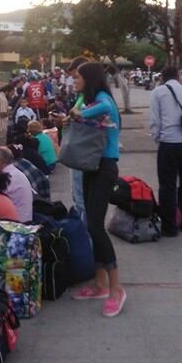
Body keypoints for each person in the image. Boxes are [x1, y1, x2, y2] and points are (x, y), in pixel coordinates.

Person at [68, 62, 125, 318]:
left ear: (89, 78)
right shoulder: (87, 97)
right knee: (91, 224)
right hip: (91, 166)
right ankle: (100, 285)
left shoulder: (104, 101)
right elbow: (75, 109)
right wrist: (78, 104)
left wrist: (78, 111)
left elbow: (93, 111)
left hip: (105, 168)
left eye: (77, 77)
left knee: (96, 228)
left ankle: (116, 289)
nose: (74, 81)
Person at [149, 66, 182, 236]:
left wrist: (158, 138)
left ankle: (169, 227)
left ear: (162, 77)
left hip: (169, 142)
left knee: (167, 186)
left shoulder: (158, 92)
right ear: (178, 76)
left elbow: (155, 121)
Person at [64, 56, 90, 222]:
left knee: (81, 198)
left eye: (76, 77)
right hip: (78, 151)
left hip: (83, 153)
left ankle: (84, 239)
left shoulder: (94, 99)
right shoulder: (82, 97)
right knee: (77, 195)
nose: (73, 82)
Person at [0, 146, 33, 222]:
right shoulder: (16, 173)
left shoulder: (8, 177)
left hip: (17, 223)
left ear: (0, 160)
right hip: (25, 218)